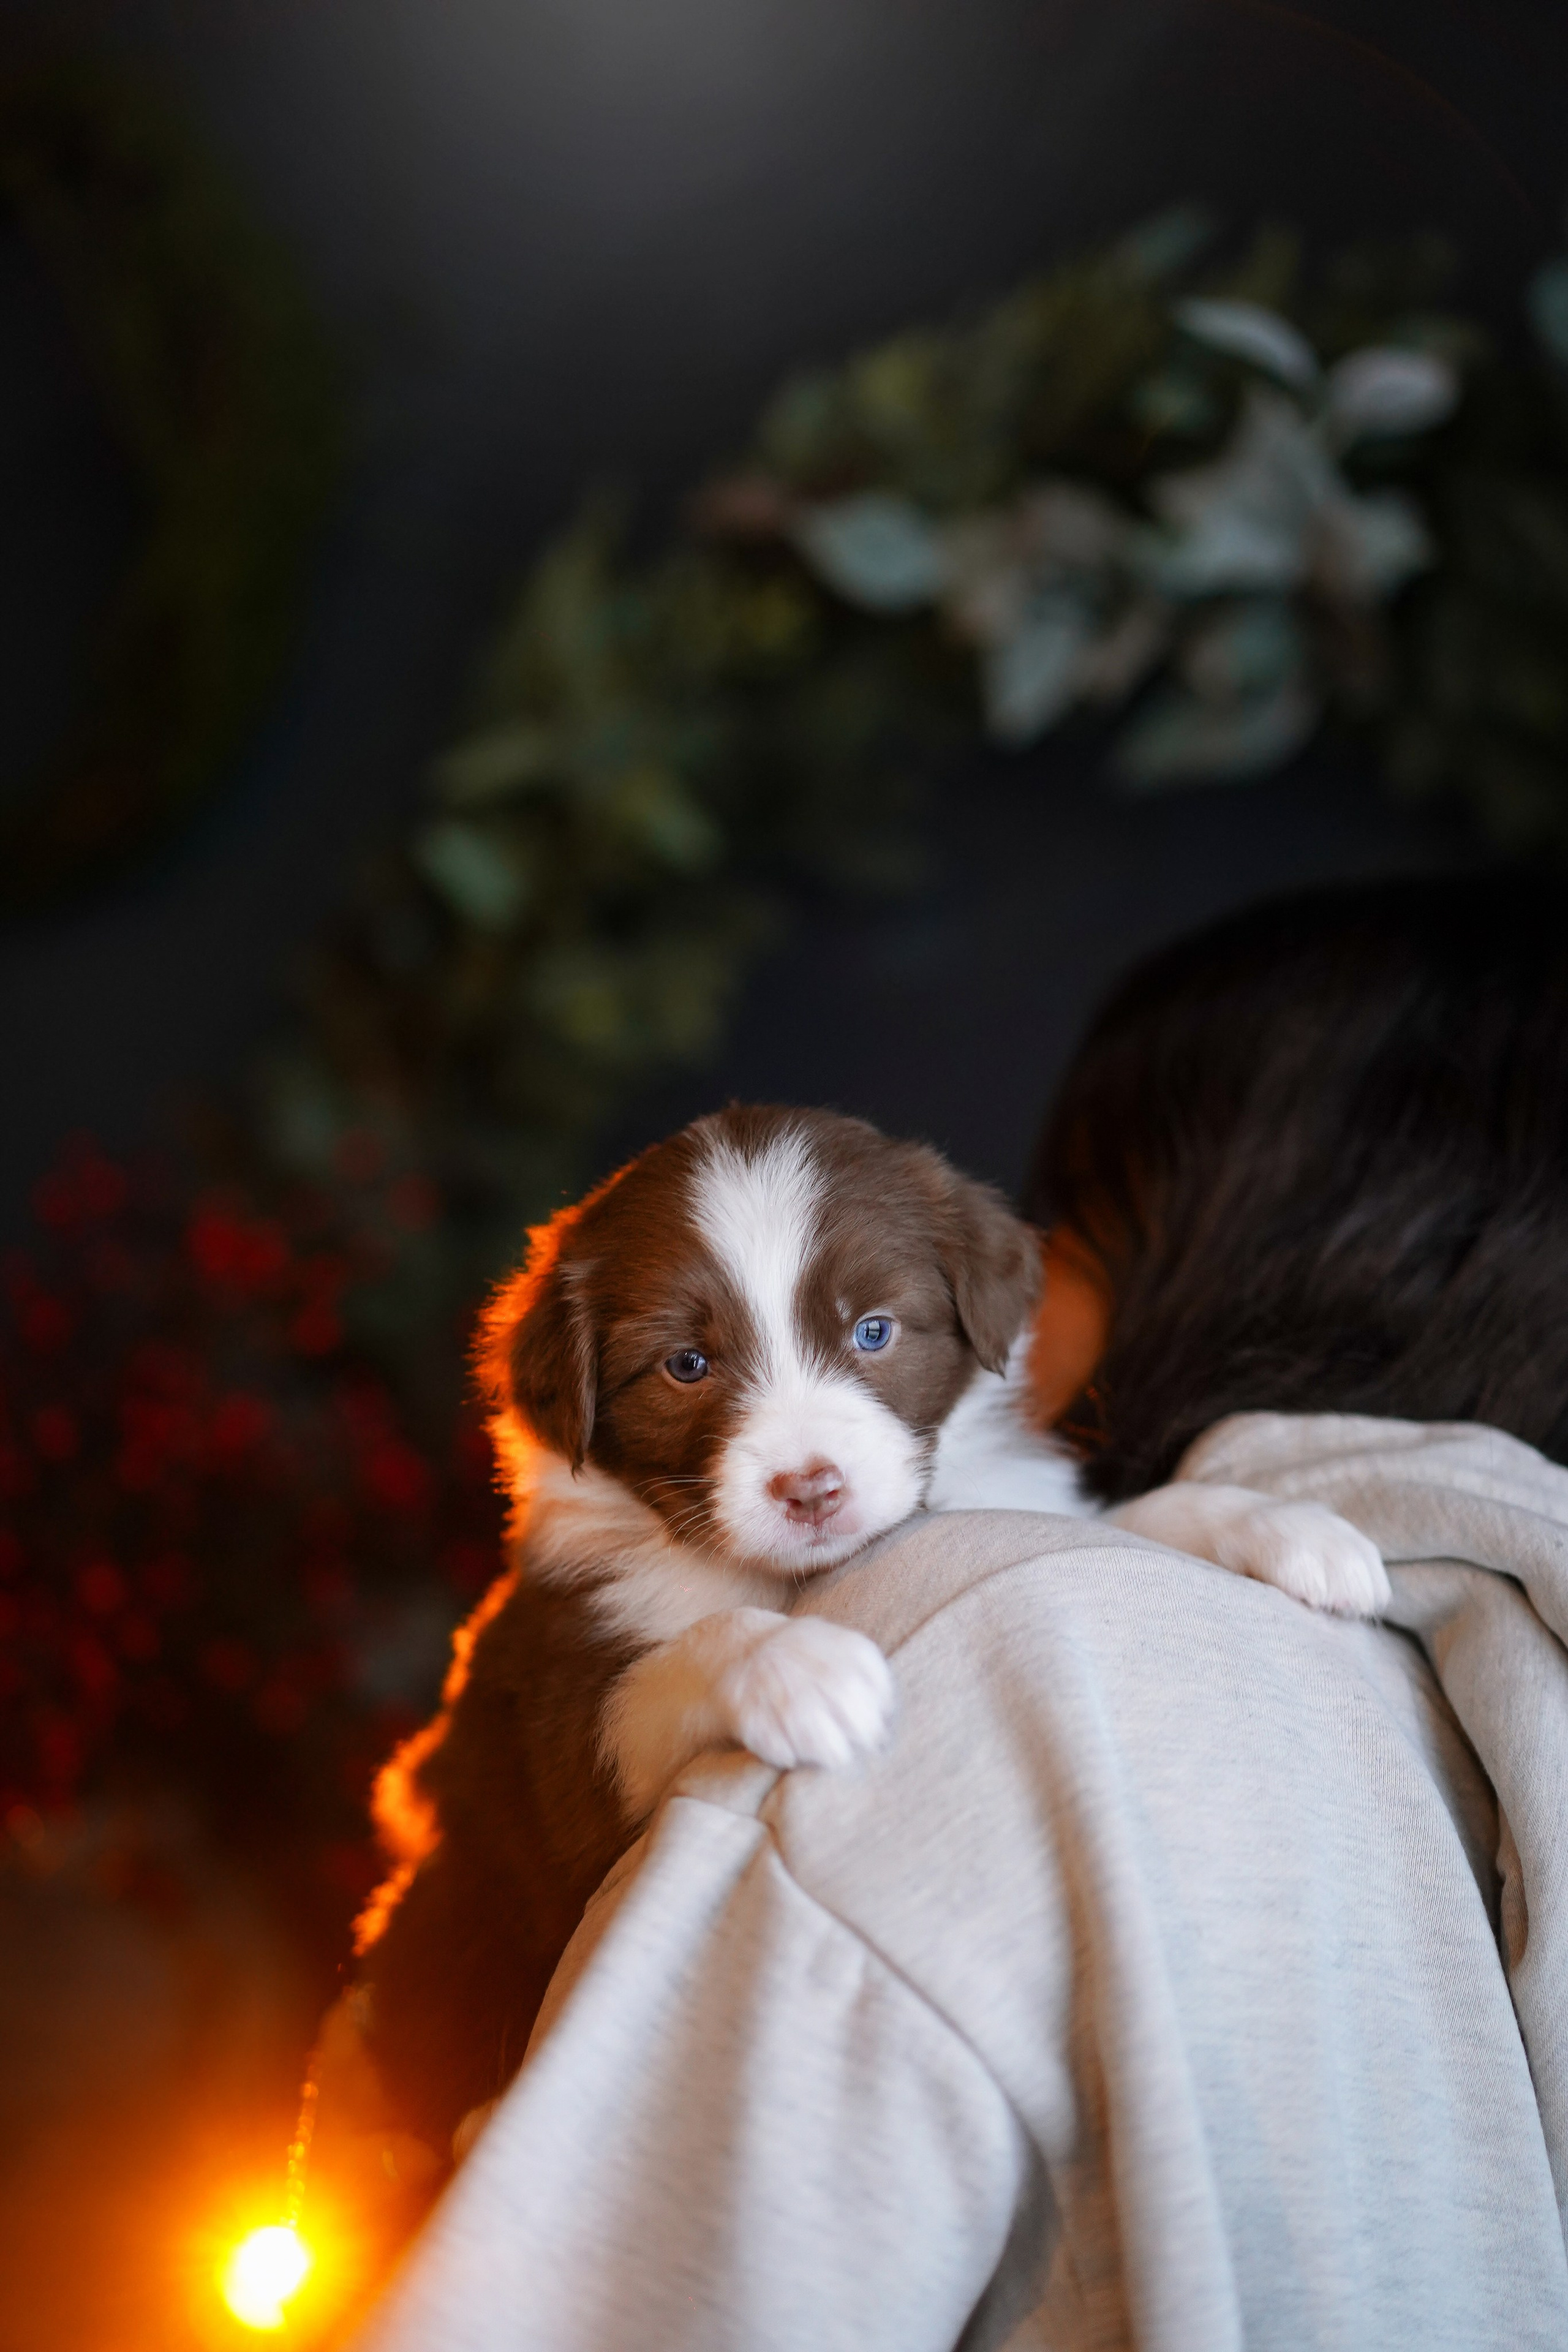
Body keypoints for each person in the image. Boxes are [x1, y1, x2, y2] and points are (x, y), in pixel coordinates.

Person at [352, 876, 1568, 2351]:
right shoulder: (1481, 1630)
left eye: (1085, 1225)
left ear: (1244, 1246)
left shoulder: (973, 1647)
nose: (1036, 1275)